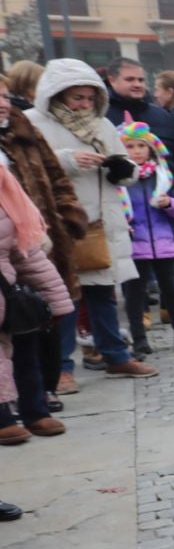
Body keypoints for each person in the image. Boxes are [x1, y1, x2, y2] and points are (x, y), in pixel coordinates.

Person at [27, 59, 153, 379]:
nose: (85, 104)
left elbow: (126, 164)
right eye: (77, 97)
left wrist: (124, 170)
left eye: (89, 97)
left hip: (100, 221)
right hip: (59, 221)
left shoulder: (102, 124)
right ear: (57, 95)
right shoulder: (33, 122)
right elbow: (25, 166)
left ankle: (115, 354)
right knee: (63, 298)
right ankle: (62, 367)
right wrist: (68, 160)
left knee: (103, 293)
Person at [0, 96, 85, 404]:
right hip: (7, 244)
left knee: (41, 313)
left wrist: (68, 216)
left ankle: (43, 389)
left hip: (38, 237)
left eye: (4, 96)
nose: (2, 104)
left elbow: (55, 176)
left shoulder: (25, 129)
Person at [0, 151, 74, 456]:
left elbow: (25, 251)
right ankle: (3, 417)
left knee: (28, 349)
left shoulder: (5, 192)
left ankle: (35, 411)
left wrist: (57, 301)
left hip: (10, 291)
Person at [117, 123, 174, 357]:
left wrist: (169, 204)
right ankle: (140, 338)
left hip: (164, 242)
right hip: (135, 243)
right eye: (130, 146)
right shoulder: (120, 178)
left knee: (172, 290)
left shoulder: (164, 176)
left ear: (151, 148)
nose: (136, 151)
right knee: (135, 294)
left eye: (141, 146)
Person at [103, 60, 174, 167]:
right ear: (112, 80)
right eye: (130, 79)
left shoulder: (161, 115)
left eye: (141, 80)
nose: (137, 84)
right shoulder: (102, 115)